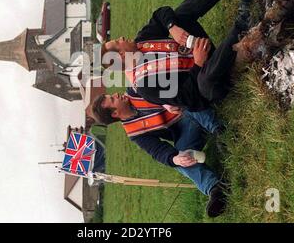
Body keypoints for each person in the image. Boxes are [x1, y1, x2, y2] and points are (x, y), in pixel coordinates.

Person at [100, 0, 255, 111]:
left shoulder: (142, 40)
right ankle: (243, 22)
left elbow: (160, 14)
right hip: (209, 83)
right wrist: (198, 63)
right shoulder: (145, 86)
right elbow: (188, 97)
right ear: (121, 55)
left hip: (201, 50)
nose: (121, 38)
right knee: (205, 81)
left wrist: (172, 27)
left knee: (179, 16)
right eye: (117, 41)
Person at [91, 88, 228, 217]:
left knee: (185, 101)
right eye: (113, 99)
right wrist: (175, 159)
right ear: (115, 113)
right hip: (187, 130)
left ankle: (221, 132)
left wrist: (167, 101)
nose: (116, 94)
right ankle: (215, 189)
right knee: (179, 161)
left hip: (190, 105)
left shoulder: (136, 90)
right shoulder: (133, 132)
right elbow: (157, 150)